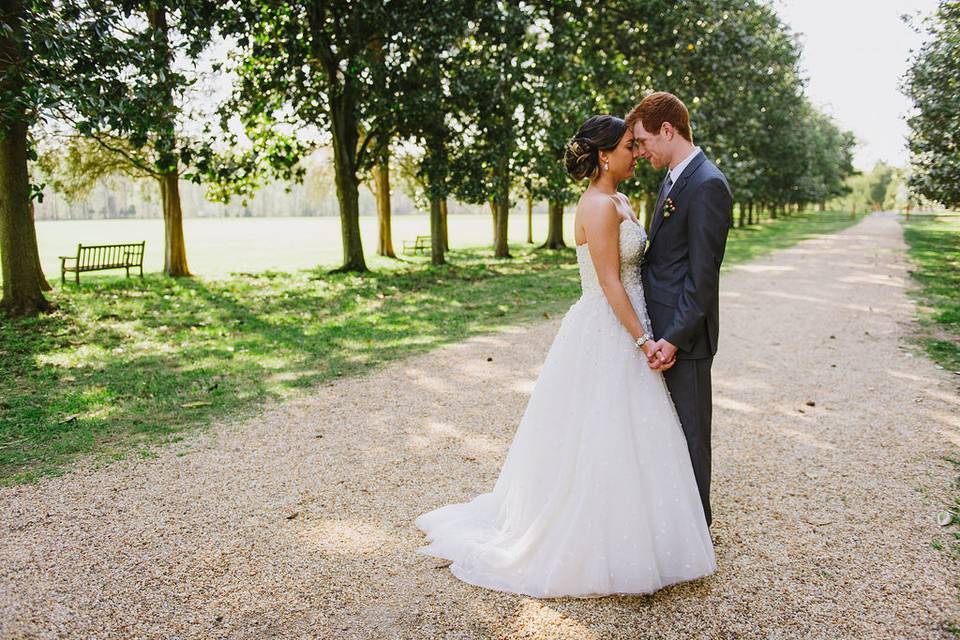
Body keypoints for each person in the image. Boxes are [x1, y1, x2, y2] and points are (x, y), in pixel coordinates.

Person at [414, 114, 715, 599]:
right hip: (611, 327)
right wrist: (641, 340)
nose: (635, 153)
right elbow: (610, 282)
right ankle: (594, 535)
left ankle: (638, 528)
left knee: (632, 432)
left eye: (637, 146)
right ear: (603, 155)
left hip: (631, 321)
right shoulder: (597, 206)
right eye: (625, 147)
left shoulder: (619, 200)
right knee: (601, 430)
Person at [628, 92, 733, 527]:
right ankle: (670, 523)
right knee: (664, 432)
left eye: (642, 140)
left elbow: (702, 276)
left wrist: (672, 337)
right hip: (662, 327)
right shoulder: (673, 177)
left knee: (690, 435)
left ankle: (695, 529)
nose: (639, 150)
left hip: (684, 338)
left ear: (667, 131)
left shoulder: (707, 183)